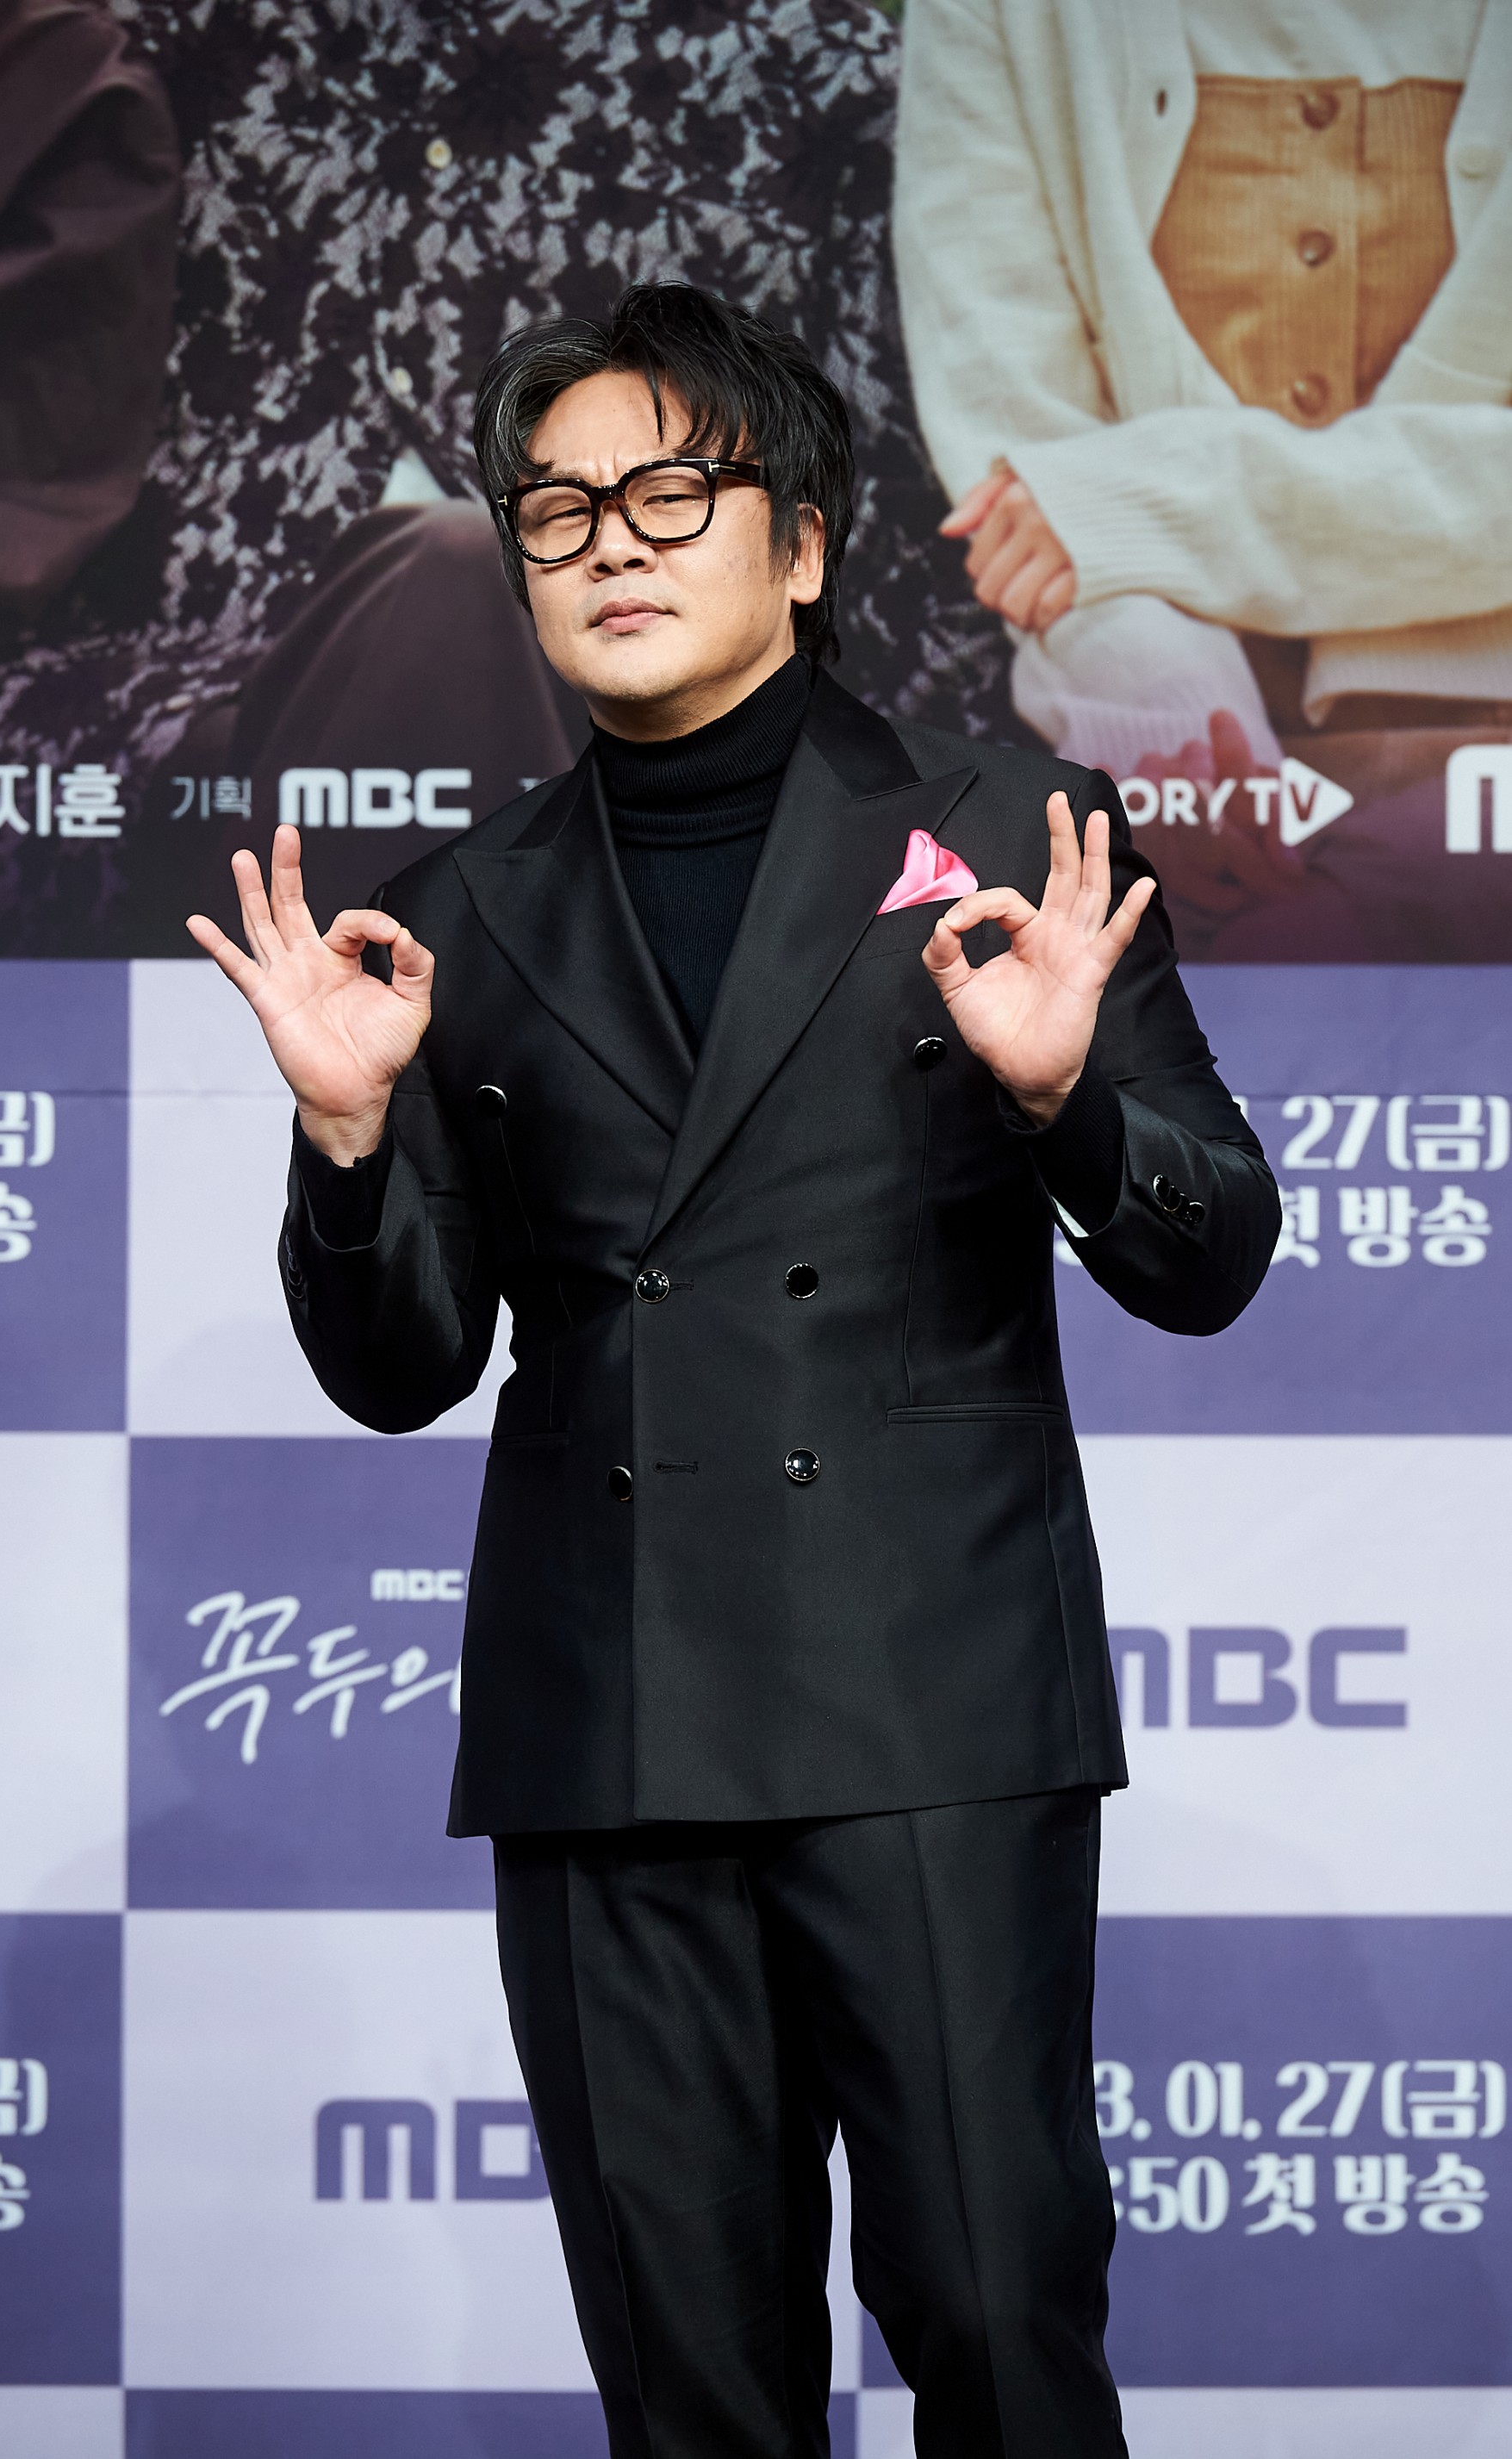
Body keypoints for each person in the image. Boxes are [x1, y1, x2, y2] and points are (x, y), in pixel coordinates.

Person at [189, 284, 1279, 2459]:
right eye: (557, 506)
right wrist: (345, 1140)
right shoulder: (456, 913)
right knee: (692, 2382)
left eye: (668, 491)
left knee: (995, 2316)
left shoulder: (1014, 829)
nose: (609, 539)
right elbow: (402, 1366)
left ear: (798, 543)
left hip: (930, 1698)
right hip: (608, 1719)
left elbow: (1209, 1251)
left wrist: (1061, 1095)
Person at [893, 0, 1512, 958]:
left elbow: (1074, 508)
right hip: (1147, 773)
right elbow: (1020, 488)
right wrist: (1170, 750)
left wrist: (1150, 504)